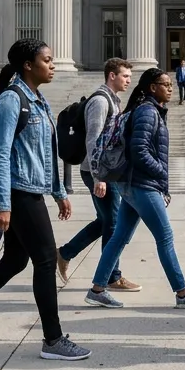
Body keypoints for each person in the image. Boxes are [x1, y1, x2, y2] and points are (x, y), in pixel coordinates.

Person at [0, 39, 90, 362]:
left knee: (14, 261)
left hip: (32, 189)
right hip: (19, 194)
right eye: (47, 60)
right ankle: (52, 339)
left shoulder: (38, 100)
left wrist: (60, 192)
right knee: (47, 261)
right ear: (27, 65)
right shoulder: (11, 101)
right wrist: (2, 204)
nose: (52, 65)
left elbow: (46, 153)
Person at [85, 69, 185, 310]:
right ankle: (183, 292)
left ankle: (97, 289)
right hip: (142, 184)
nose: (171, 87)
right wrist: (162, 173)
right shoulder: (147, 111)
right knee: (165, 237)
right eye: (165, 84)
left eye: (171, 84)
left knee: (119, 237)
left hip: (133, 184)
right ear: (152, 87)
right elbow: (139, 150)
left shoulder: (147, 109)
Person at [57, 58, 140, 292]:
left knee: (105, 221)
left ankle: (64, 253)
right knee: (113, 223)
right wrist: (98, 177)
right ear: (111, 75)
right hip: (98, 171)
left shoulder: (113, 100)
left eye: (129, 77)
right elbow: (92, 140)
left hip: (105, 171)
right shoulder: (100, 102)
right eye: (125, 76)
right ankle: (112, 276)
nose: (128, 81)